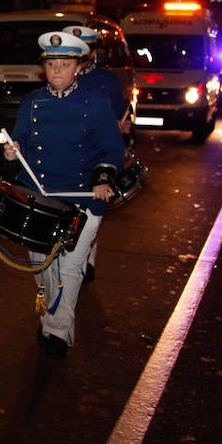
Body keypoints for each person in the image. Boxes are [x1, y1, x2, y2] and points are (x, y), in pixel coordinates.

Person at [2, 30, 125, 359]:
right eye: (52, 64)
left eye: (65, 64)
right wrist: (13, 151)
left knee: (70, 268)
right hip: (41, 196)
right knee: (42, 266)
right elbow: (20, 142)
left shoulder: (96, 103)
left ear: (78, 67)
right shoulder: (31, 103)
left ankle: (56, 331)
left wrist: (103, 178)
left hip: (83, 196)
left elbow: (113, 149)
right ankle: (52, 321)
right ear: (44, 68)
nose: (57, 70)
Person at [62, 24, 134, 283]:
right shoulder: (61, 77)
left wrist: (121, 127)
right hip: (69, 155)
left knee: (91, 209)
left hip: (96, 155)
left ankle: (87, 257)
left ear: (94, 52)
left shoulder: (107, 81)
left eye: (89, 48)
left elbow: (117, 119)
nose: (84, 53)